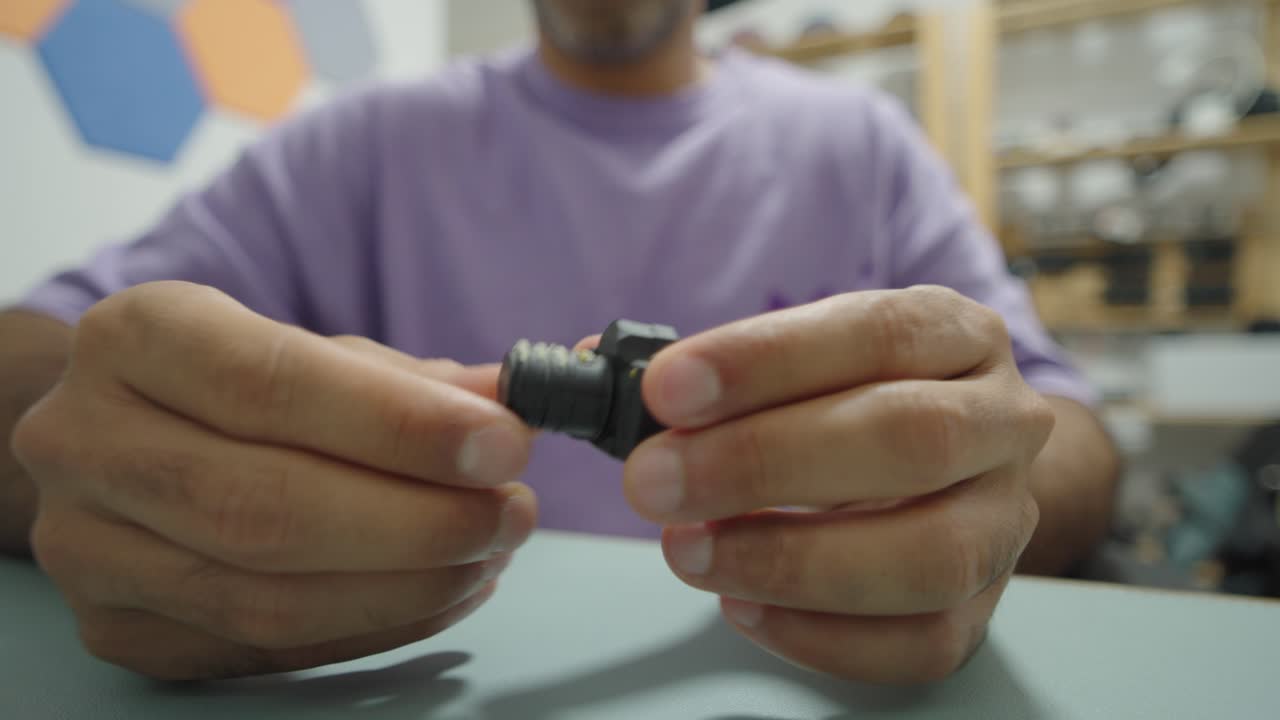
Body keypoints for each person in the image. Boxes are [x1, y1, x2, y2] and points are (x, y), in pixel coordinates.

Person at [0, 0, 1119, 685]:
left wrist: (984, 474)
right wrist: (102, 446)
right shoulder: (361, 146)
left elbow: (1054, 426)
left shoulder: (858, 146)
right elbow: (37, 359)